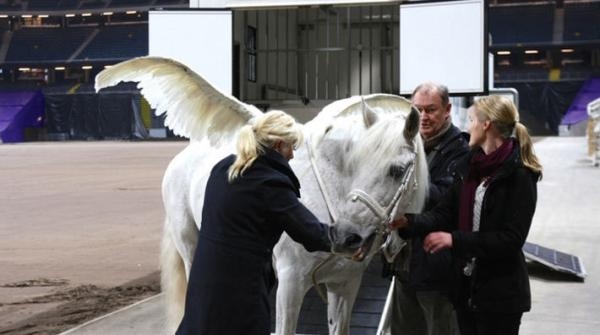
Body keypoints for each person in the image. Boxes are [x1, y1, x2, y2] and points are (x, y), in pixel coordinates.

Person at [393, 95, 543, 335]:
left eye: (472, 119)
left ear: (486, 125)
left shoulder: (520, 175)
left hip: (500, 294)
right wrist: (409, 222)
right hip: (466, 288)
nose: (468, 126)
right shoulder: (470, 165)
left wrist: (454, 239)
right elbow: (444, 212)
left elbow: (510, 239)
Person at [176, 110, 333, 335]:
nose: (292, 156)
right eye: (292, 147)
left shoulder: (222, 169)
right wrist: (352, 239)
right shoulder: (271, 183)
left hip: (204, 287)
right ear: (279, 145)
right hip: (240, 294)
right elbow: (312, 233)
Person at [386, 82, 468, 335]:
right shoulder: (406, 146)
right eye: (417, 110)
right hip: (404, 267)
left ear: (447, 110)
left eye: (431, 110)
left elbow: (444, 198)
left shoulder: (460, 150)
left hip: (437, 272)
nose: (423, 117)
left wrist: (405, 183)